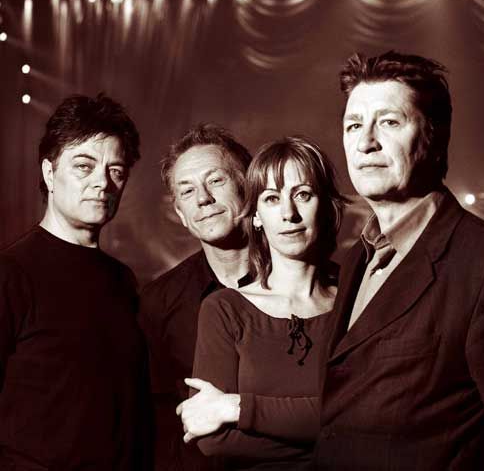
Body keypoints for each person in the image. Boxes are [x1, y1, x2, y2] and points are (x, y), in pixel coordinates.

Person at [314, 51, 484, 470]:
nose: (366, 142)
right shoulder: (355, 260)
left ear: (434, 137)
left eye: (389, 122)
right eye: (354, 125)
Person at [0, 93, 150, 470]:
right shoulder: (11, 273)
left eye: (116, 171)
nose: (103, 182)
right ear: (49, 173)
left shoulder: (123, 280)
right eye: (84, 166)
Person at [180, 136, 345, 470]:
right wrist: (329, 432)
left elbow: (372, 417)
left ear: (327, 207)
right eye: (271, 198)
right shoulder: (224, 309)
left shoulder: (356, 303)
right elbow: (213, 441)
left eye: (303, 194)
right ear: (255, 216)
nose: (288, 213)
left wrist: (236, 408)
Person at [138, 124, 253, 471]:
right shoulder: (157, 303)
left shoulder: (314, 286)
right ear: (181, 215)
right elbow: (153, 418)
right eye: (187, 191)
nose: (203, 198)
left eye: (215, 180)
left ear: (248, 185)